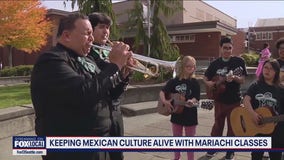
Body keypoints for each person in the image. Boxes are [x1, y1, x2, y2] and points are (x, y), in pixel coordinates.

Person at [30, 13, 131, 160]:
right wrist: (115, 65)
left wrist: (123, 74)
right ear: (67, 36)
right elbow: (84, 92)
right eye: (87, 34)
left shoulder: (88, 58)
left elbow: (109, 94)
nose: (91, 39)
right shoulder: (51, 60)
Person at [88, 12, 132, 160]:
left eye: (108, 28)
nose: (106, 31)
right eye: (101, 27)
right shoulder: (86, 54)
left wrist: (124, 75)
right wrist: (114, 65)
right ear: (90, 29)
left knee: (118, 156)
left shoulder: (108, 52)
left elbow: (114, 92)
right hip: (98, 119)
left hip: (115, 115)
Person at [203, 37, 247, 160]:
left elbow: (242, 79)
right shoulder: (215, 63)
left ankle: (230, 151)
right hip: (219, 100)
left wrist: (234, 78)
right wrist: (210, 84)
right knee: (217, 125)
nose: (227, 50)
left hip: (234, 100)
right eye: (225, 48)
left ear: (232, 48)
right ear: (220, 48)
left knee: (233, 127)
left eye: (229, 48)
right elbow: (205, 78)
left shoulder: (238, 62)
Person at [159, 55, 200, 160]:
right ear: (183, 67)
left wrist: (192, 101)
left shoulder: (195, 82)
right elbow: (162, 92)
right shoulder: (174, 81)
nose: (191, 69)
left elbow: (196, 98)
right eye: (188, 66)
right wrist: (165, 101)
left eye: (193, 67)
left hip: (190, 116)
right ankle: (176, 158)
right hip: (176, 115)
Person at [243, 59, 282, 160]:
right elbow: (246, 100)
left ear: (276, 72)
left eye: (271, 69)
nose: (267, 70)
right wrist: (253, 114)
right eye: (265, 67)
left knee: (276, 157)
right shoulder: (255, 85)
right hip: (257, 130)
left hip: (276, 132)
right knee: (256, 157)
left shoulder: (281, 89)